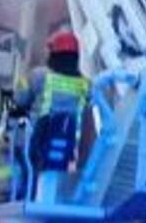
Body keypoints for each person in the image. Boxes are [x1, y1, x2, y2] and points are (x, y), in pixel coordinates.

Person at [10, 29, 90, 203]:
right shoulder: (85, 84)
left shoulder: (37, 75)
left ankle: (20, 195)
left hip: (37, 140)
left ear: (53, 53)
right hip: (67, 145)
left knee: (16, 154)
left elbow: (19, 98)